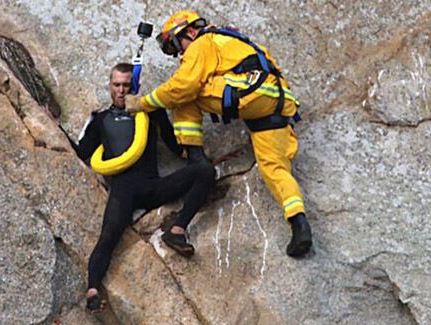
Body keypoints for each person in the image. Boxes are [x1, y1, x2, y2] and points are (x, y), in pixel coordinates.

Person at [125, 10, 313, 258]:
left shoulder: (203, 42)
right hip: (275, 103)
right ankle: (299, 224)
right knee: (275, 169)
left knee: (184, 92)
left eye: (176, 44)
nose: (179, 53)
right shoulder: (231, 41)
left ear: (190, 31)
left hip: (250, 92)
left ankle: (195, 160)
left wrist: (143, 103)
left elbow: (184, 85)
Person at [74, 63, 215, 313]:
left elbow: (174, 144)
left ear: (133, 87)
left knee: (204, 170)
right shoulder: (101, 120)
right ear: (110, 86)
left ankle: (178, 229)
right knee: (107, 238)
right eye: (116, 85)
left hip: (153, 187)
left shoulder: (151, 113)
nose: (120, 90)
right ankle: (93, 291)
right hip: (123, 191)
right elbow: (81, 152)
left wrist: (197, 154)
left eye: (126, 85)